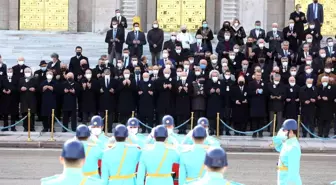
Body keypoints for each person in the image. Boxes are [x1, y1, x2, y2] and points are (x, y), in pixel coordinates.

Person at [272, 119, 302, 185]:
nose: (283, 132)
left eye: (284, 130)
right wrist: (277, 137)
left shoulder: (293, 148)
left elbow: (293, 172)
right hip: (283, 180)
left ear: (291, 131)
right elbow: (279, 147)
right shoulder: (287, 143)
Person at [248, 71, 267, 138]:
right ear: (255, 76)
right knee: (254, 120)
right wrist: (255, 92)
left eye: (259, 75)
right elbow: (249, 93)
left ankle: (260, 133)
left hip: (261, 104)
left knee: (261, 120)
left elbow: (267, 92)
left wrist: (263, 91)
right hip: (254, 104)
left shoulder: (264, 83)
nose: (258, 76)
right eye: (257, 75)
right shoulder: (251, 83)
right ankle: (254, 133)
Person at [19, 67, 37, 132]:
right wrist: (21, 89)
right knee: (24, 114)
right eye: (26, 72)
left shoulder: (34, 79)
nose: (27, 73)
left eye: (28, 72)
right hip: (24, 100)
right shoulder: (21, 79)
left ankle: (32, 127)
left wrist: (34, 89)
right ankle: (25, 127)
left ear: (31, 72)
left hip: (32, 99)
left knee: (31, 114)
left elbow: (38, 88)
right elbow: (18, 89)